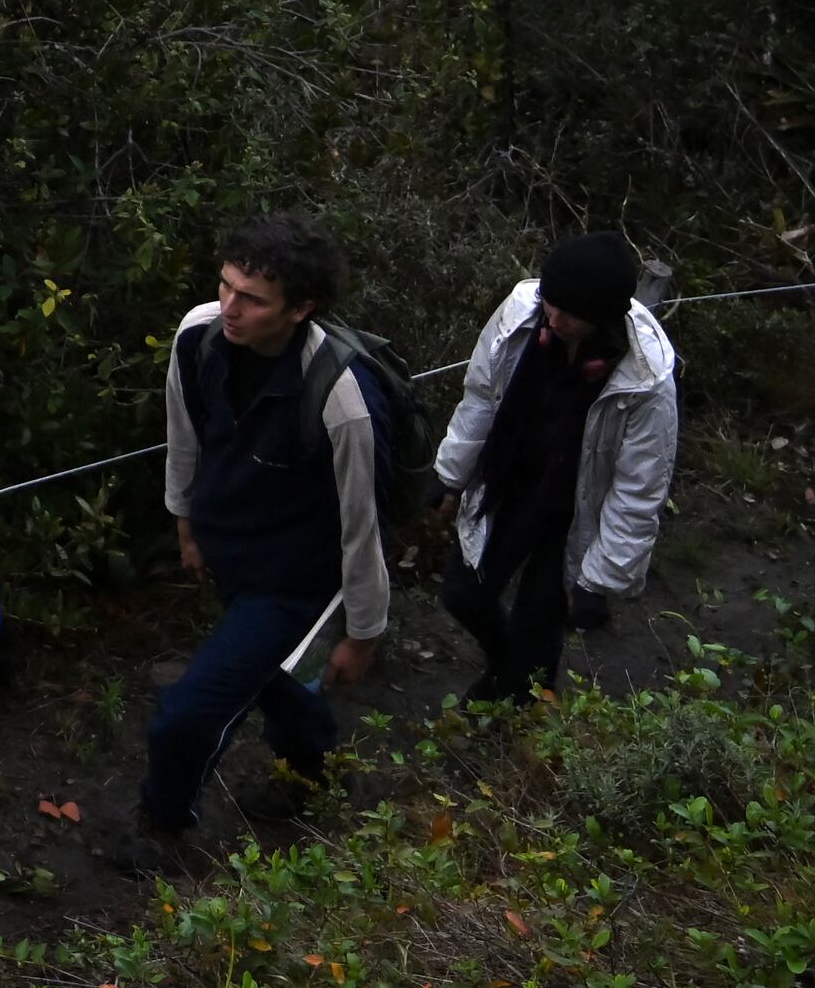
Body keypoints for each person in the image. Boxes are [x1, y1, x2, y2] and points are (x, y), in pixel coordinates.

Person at [109, 214, 397, 871]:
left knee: (188, 714)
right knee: (279, 680)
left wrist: (362, 629)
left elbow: (365, 522)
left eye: (252, 297)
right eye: (226, 285)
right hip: (232, 548)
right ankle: (313, 775)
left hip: (297, 581)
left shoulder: (343, 397)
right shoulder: (198, 336)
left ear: (300, 308)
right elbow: (186, 434)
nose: (229, 306)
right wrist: (186, 522)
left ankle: (162, 824)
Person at [433, 232, 682, 702]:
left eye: (572, 311)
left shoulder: (646, 383)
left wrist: (598, 581)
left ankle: (519, 702)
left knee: (539, 622)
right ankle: (510, 671)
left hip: (574, 509)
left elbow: (639, 489)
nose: (555, 317)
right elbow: (482, 397)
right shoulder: (520, 315)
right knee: (463, 595)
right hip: (511, 480)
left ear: (603, 316)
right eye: (551, 301)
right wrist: (450, 473)